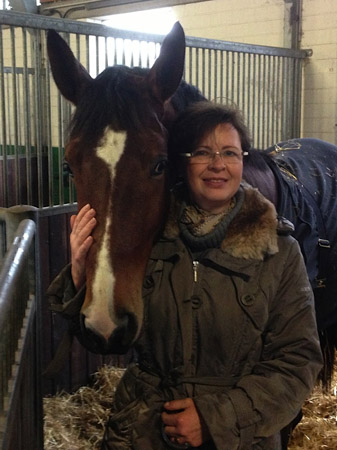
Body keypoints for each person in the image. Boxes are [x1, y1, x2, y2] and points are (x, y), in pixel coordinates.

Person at [48, 101, 322, 450]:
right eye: (203, 152)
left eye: (230, 153)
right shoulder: (148, 240)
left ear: (244, 160)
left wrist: (215, 419)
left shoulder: (279, 253)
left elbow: (298, 363)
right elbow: (101, 340)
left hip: (238, 439)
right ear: (183, 162)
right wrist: (79, 274)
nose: (218, 165)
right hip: (143, 433)